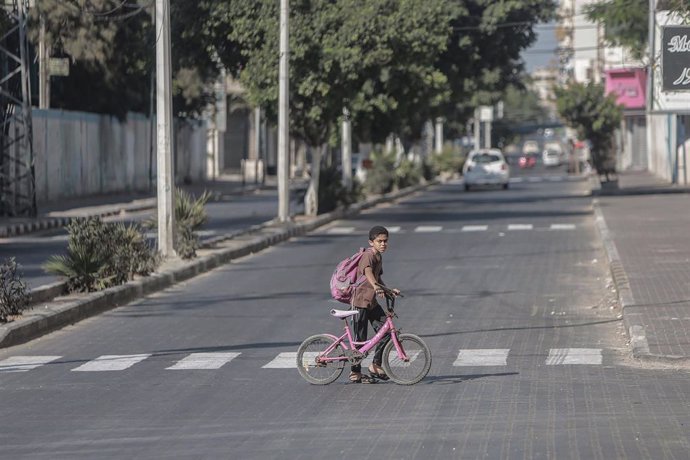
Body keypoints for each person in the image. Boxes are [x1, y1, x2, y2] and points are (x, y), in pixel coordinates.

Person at [349, 225, 400, 383]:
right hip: (360, 303)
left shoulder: (379, 257)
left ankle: (375, 365)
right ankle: (355, 373)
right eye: (380, 241)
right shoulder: (368, 256)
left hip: (371, 303)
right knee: (360, 339)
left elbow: (377, 278)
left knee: (387, 332)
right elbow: (368, 272)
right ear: (371, 242)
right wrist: (376, 287)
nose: (383, 244)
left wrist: (388, 290)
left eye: (385, 241)